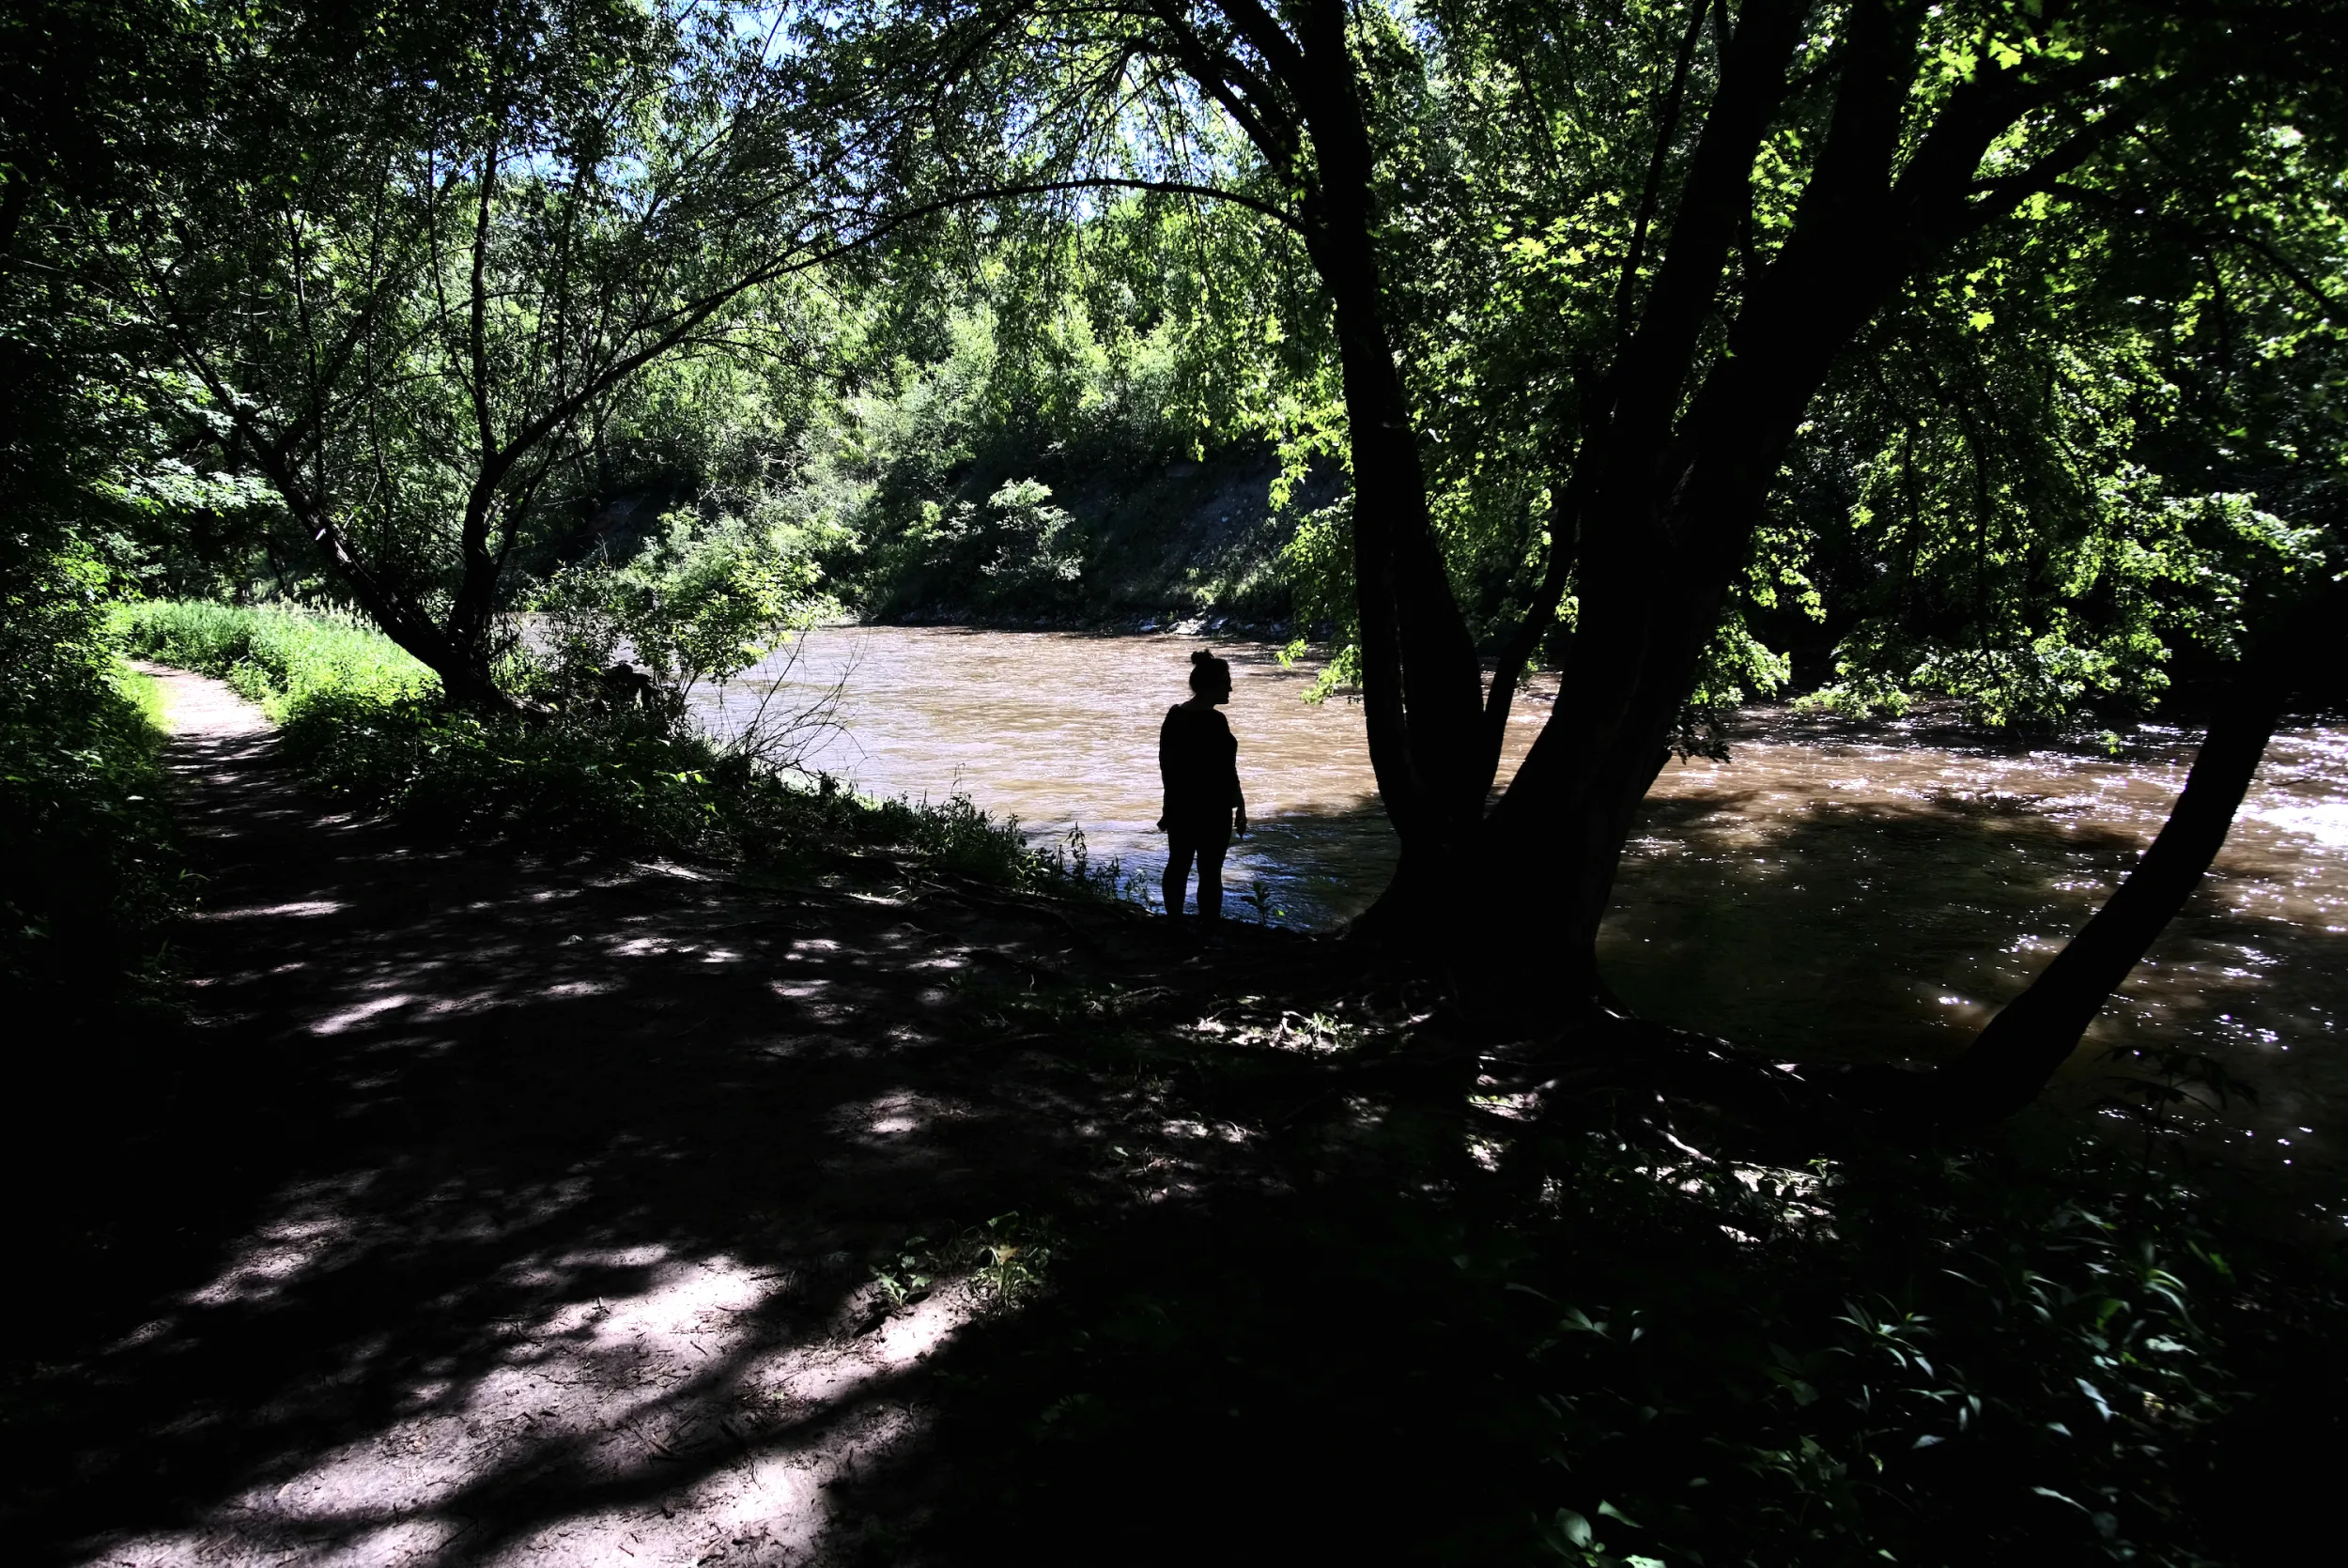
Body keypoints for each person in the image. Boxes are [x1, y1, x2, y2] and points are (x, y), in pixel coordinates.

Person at [1158, 648, 1247, 929]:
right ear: (1211, 686)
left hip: (1182, 807)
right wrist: (1240, 806)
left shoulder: (1175, 716)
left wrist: (1170, 806)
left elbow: (1167, 768)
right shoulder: (1214, 722)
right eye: (1226, 682)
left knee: (1178, 866)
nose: (1231, 687)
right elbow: (1226, 770)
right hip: (1212, 810)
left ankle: (1174, 924)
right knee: (1209, 873)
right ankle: (1208, 928)